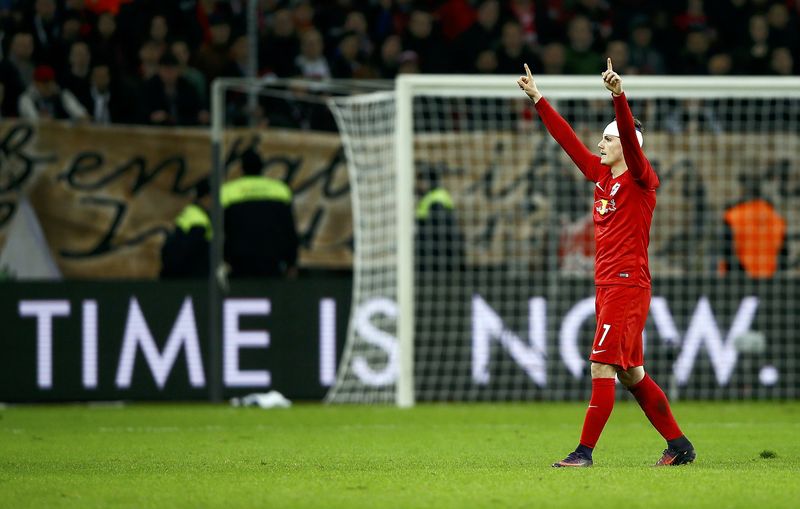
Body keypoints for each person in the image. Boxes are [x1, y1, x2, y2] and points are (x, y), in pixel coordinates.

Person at [517, 59, 695, 467]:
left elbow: (631, 144)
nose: (600, 144)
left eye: (608, 139)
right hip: (609, 285)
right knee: (631, 374)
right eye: (602, 139)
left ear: (625, 144)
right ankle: (680, 446)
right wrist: (539, 99)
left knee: (601, 366)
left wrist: (619, 96)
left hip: (627, 285)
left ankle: (584, 453)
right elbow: (569, 143)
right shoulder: (602, 177)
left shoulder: (640, 178)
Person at [222, 148, 299, 278]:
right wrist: (292, 262)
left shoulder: (228, 191)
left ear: (242, 168)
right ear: (262, 167)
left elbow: (221, 230)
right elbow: (290, 229)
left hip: (240, 261)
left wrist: (225, 259)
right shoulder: (280, 190)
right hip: (272, 259)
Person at [719, 172, 787, 279]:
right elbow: (783, 254)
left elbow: (726, 251)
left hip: (738, 280)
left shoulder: (733, 216)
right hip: (770, 279)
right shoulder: (776, 218)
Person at [160, 179, 212, 279]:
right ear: (206, 198)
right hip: (191, 278)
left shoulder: (192, 212)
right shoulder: (198, 220)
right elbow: (191, 252)